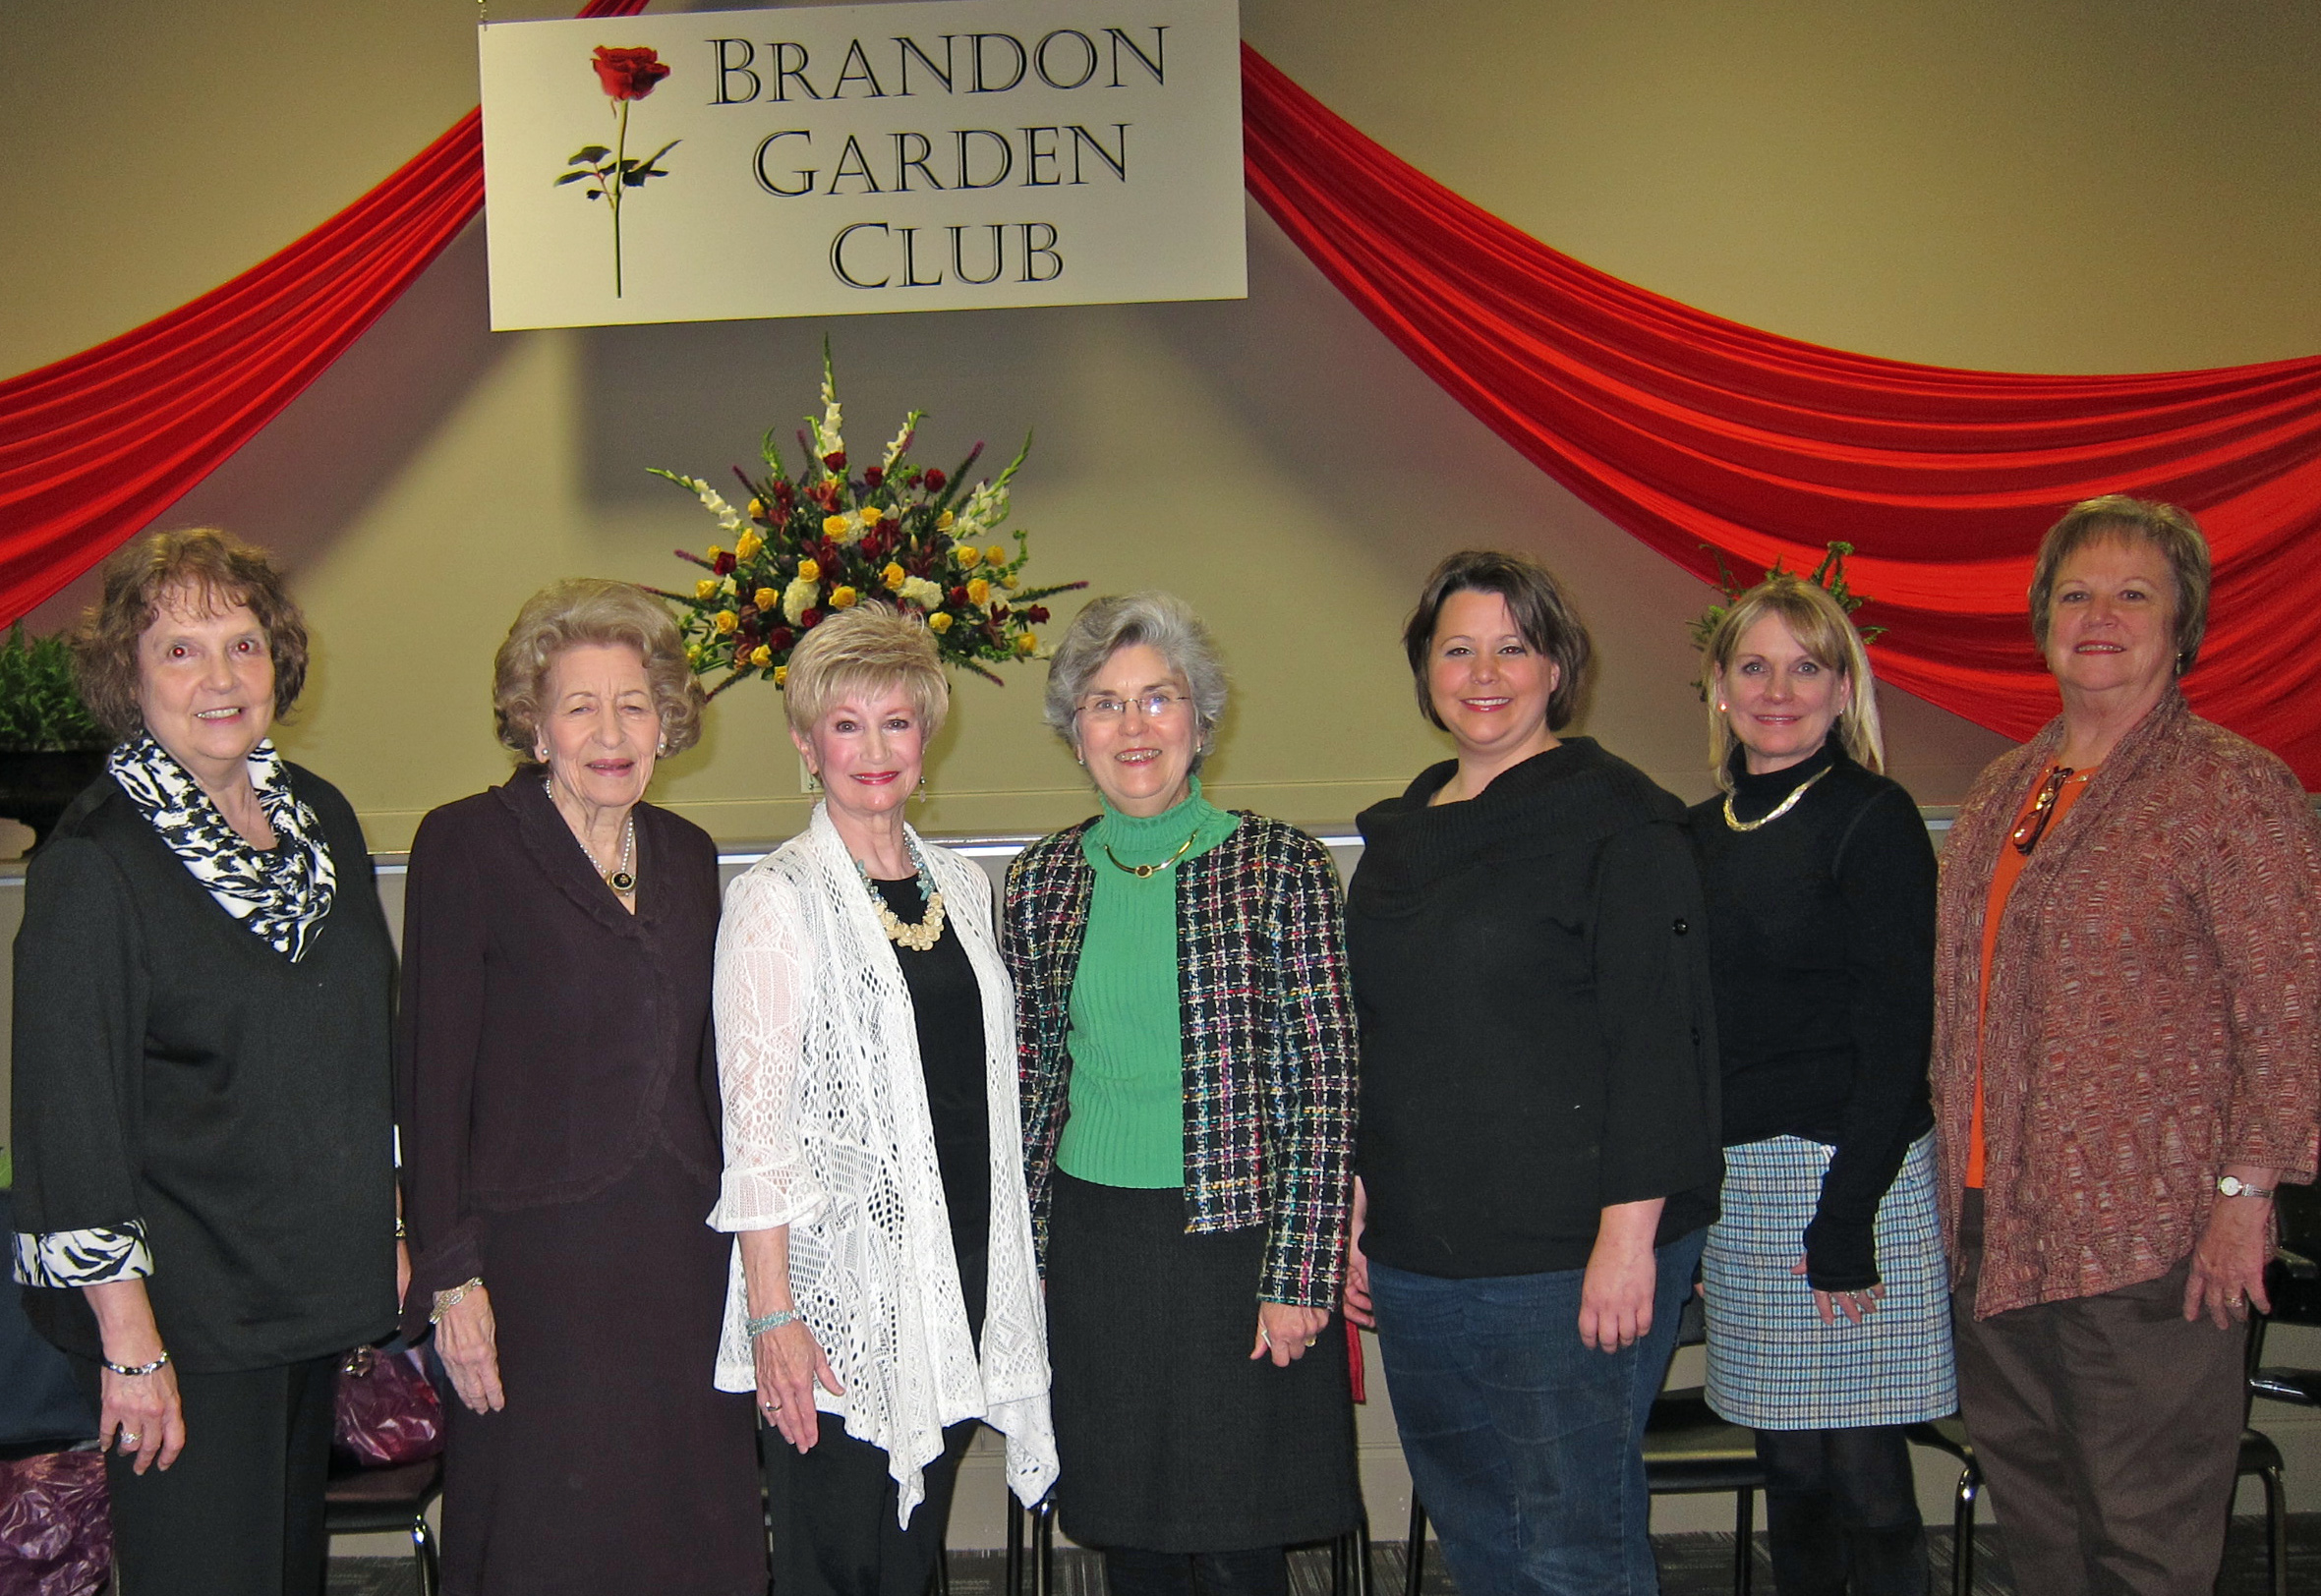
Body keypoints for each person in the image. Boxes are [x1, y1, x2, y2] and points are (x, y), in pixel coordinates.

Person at [1933, 495, 2321, 1595]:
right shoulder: (2007, 787)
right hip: (1991, 1228)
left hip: (2149, 1245)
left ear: (2182, 622)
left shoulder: (2233, 790)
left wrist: (2246, 1199)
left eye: (2132, 593)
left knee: (2144, 1546)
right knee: (2045, 1535)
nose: (2098, 614)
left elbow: (2293, 1018)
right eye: (2075, 593)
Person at [9, 528, 397, 1595]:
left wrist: (392, 1217)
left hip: (304, 1298)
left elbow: (366, 1045)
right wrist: (131, 1348)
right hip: (182, 1328)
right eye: (180, 649)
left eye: (244, 643)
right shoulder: (97, 861)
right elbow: (69, 1118)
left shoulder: (319, 819)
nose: (221, 677)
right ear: (127, 676)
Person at [1342, 548, 1721, 1596]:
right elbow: (1379, 1030)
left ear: (1558, 665)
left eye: (1514, 645)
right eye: (1457, 648)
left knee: (1571, 1545)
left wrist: (1627, 1239)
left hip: (1568, 1258)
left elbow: (1660, 1040)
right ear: (1425, 671)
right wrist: (1360, 1199)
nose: (1485, 670)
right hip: (1422, 1252)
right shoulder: (1409, 830)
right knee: (1477, 1536)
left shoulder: (1621, 821)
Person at [397, 579, 762, 1596]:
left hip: (681, 1259)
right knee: (545, 1542)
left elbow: (709, 1066)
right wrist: (451, 1278)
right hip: (536, 1274)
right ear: (534, 725)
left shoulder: (689, 856)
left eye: (635, 703)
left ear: (667, 721)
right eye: (580, 705)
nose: (612, 730)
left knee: (689, 1530)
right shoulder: (465, 844)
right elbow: (429, 1081)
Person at [1005, 593, 1360, 1596]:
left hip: (1240, 1246)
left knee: (1242, 1539)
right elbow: (1031, 1087)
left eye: (1158, 699)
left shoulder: (1278, 865)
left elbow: (1329, 1084)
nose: (1134, 726)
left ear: (1201, 720)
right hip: (1098, 1247)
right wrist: (1026, 1259)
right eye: (1106, 704)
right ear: (1076, 734)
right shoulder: (1040, 881)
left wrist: (1301, 1268)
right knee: (1133, 1536)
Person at [713, 603, 1055, 1596]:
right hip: (837, 1301)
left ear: (927, 734)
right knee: (838, 1563)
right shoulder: (775, 899)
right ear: (805, 742)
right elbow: (757, 1128)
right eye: (846, 723)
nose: (873, 748)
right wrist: (775, 1314)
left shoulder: (963, 883)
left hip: (949, 1280)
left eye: (895, 721)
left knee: (908, 1561)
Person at [1687, 576, 1952, 1596]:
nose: (1778, 688)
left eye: (1807, 665)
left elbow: (1898, 1036)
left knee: (1867, 1478)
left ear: (1845, 689)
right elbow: (1697, 1035)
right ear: (1718, 688)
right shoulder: (1694, 833)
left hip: (1856, 1178)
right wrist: (1699, 1198)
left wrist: (1844, 1221)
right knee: (1789, 1468)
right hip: (1744, 1188)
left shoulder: (1872, 818)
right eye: (1754, 664)